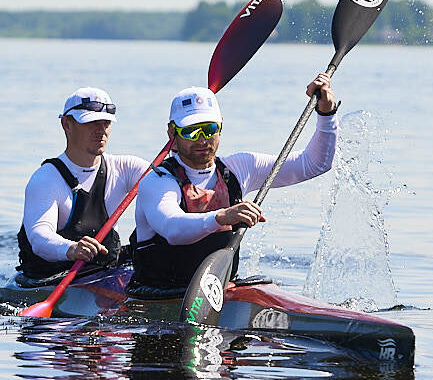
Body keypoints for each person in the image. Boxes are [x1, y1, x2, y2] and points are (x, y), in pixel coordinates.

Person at [129, 74, 338, 293]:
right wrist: (223, 216)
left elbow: (315, 164)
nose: (202, 140)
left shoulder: (239, 168)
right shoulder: (158, 182)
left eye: (209, 129)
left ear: (220, 126)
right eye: (190, 131)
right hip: (157, 293)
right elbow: (172, 228)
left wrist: (326, 113)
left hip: (218, 290)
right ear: (172, 132)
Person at [17, 87, 149, 283]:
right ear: (66, 124)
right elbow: (39, 237)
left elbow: (168, 181)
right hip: (48, 278)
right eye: (91, 122)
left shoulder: (125, 168)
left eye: (106, 123)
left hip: (102, 274)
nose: (101, 130)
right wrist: (71, 249)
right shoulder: (46, 179)